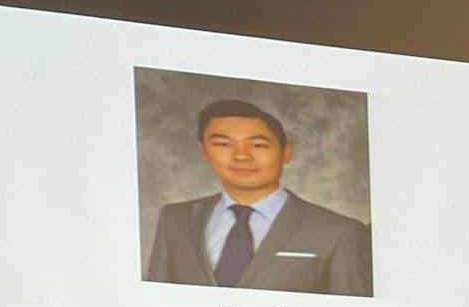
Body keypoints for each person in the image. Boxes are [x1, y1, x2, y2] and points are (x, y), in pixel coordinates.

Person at [143, 98, 372, 295]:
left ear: (286, 152)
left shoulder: (340, 232)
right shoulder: (175, 219)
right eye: (223, 144)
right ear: (204, 151)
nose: (241, 156)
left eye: (258, 145)